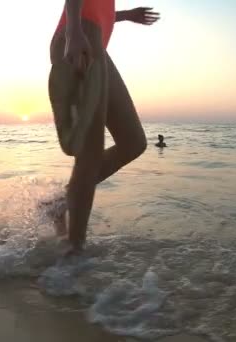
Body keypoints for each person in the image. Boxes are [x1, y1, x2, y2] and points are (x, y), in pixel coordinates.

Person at [48, 1, 160, 254]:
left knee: (133, 142)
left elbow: (98, 9)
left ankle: (58, 204)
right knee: (89, 154)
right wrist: (73, 32)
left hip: (95, 41)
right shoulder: (76, 30)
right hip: (80, 36)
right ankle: (73, 252)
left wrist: (125, 15)